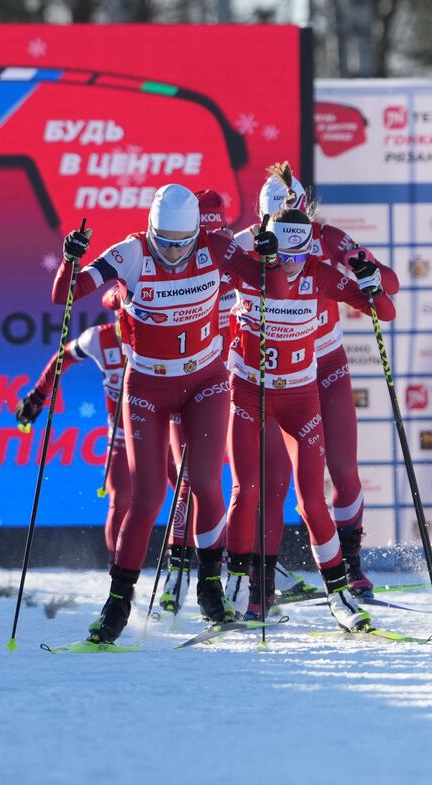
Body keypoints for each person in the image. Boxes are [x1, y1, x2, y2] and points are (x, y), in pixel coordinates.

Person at [51, 183, 275, 645]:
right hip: (149, 387)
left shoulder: (216, 246)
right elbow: (66, 295)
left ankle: (210, 589)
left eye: (182, 242)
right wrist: (70, 260)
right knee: (147, 498)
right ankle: (117, 603)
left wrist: (270, 256)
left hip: (206, 382)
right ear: (151, 230)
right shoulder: (130, 253)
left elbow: (265, 278)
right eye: (164, 242)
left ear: (197, 231)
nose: (173, 252)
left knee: (208, 486)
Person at [222, 199, 396, 631]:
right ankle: (250, 593)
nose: (294, 265)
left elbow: (386, 310)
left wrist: (371, 284)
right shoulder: (248, 265)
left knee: (312, 500)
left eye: (301, 256)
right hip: (250, 394)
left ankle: (340, 593)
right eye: (285, 256)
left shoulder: (319, 271)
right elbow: (201, 256)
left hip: (301, 396)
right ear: (268, 245)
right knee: (250, 492)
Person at [14, 283, 187, 564]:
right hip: (122, 434)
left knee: (187, 490)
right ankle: (118, 570)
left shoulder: (165, 334)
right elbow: (64, 356)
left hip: (164, 432)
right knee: (121, 500)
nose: (130, 319)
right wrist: (38, 395)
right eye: (125, 312)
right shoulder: (99, 338)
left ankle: (190, 560)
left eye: (138, 313)